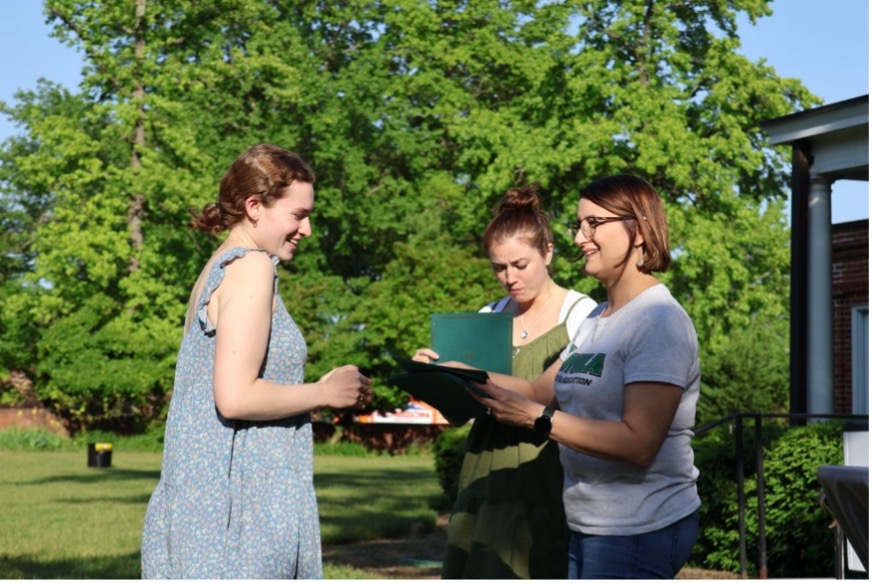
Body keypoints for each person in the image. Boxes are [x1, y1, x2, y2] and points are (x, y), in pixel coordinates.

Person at [141, 144, 373, 579]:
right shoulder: (251, 267)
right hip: (237, 518)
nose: (306, 229)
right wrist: (324, 393)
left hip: (211, 512)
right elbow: (235, 397)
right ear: (253, 206)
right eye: (297, 214)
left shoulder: (220, 267)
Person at [470, 175, 701, 579]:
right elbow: (537, 391)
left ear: (640, 230)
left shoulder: (658, 321)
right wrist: (456, 371)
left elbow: (639, 443)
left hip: (638, 527)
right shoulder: (597, 319)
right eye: (579, 225)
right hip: (586, 523)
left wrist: (536, 419)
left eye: (593, 223)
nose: (580, 237)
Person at [414, 183, 597, 579]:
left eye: (520, 264)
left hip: (547, 476)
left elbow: (554, 397)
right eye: (499, 267)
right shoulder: (489, 314)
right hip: (484, 475)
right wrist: (433, 377)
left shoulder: (582, 314)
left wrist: (464, 371)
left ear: (548, 252)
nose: (509, 277)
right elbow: (460, 416)